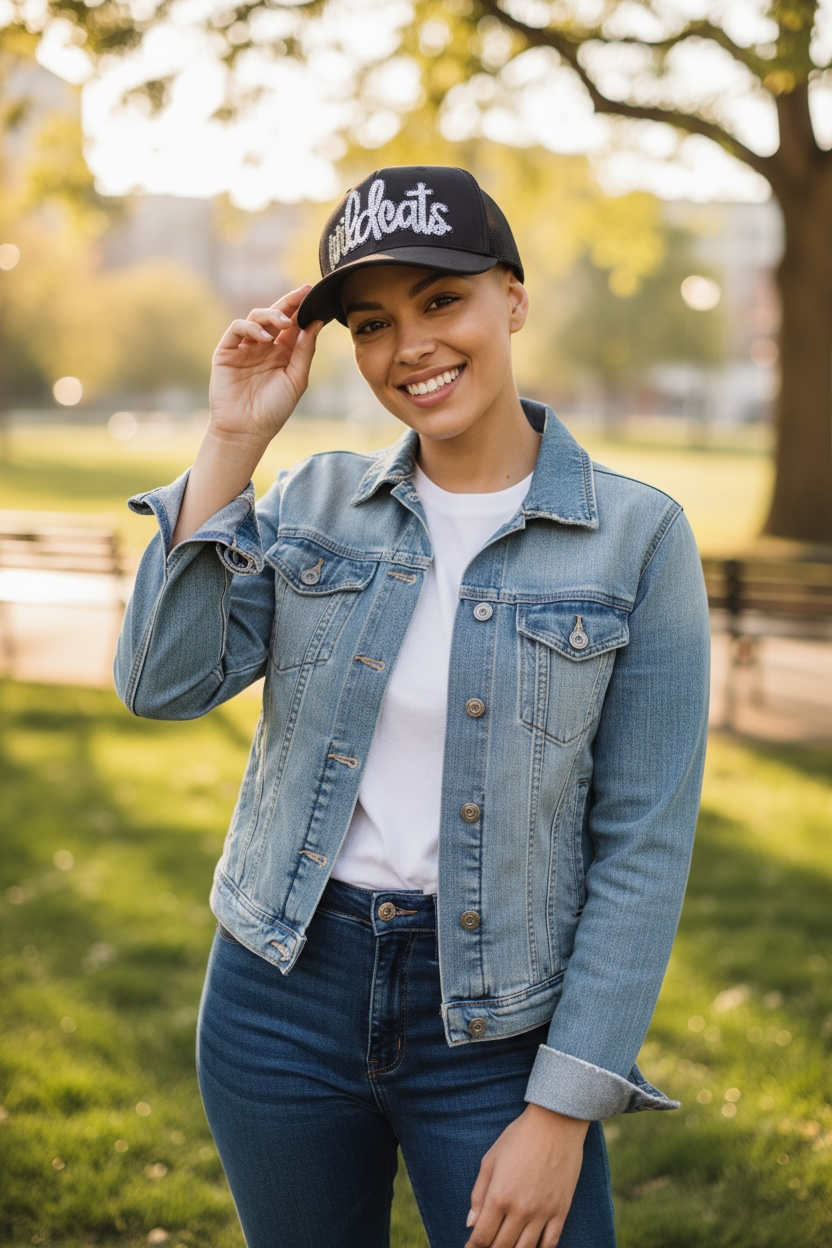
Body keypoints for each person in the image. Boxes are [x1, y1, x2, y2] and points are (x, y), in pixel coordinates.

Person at [114, 165, 710, 1248]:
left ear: (512, 300)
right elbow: (162, 681)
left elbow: (643, 846)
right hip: (278, 993)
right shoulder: (313, 502)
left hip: (496, 1026)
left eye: (444, 302)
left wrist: (562, 1103)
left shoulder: (639, 538)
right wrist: (233, 443)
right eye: (375, 324)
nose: (412, 349)